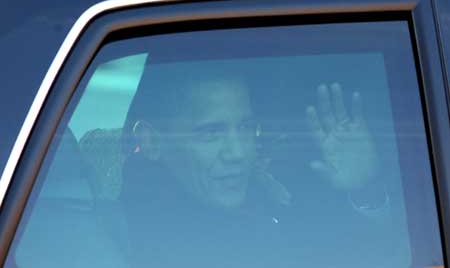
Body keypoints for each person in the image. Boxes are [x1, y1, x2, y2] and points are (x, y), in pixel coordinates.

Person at [119, 65, 392, 267]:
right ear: (152, 142)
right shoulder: (132, 240)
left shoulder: (272, 203)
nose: (238, 152)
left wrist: (365, 189)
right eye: (210, 133)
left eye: (246, 127)